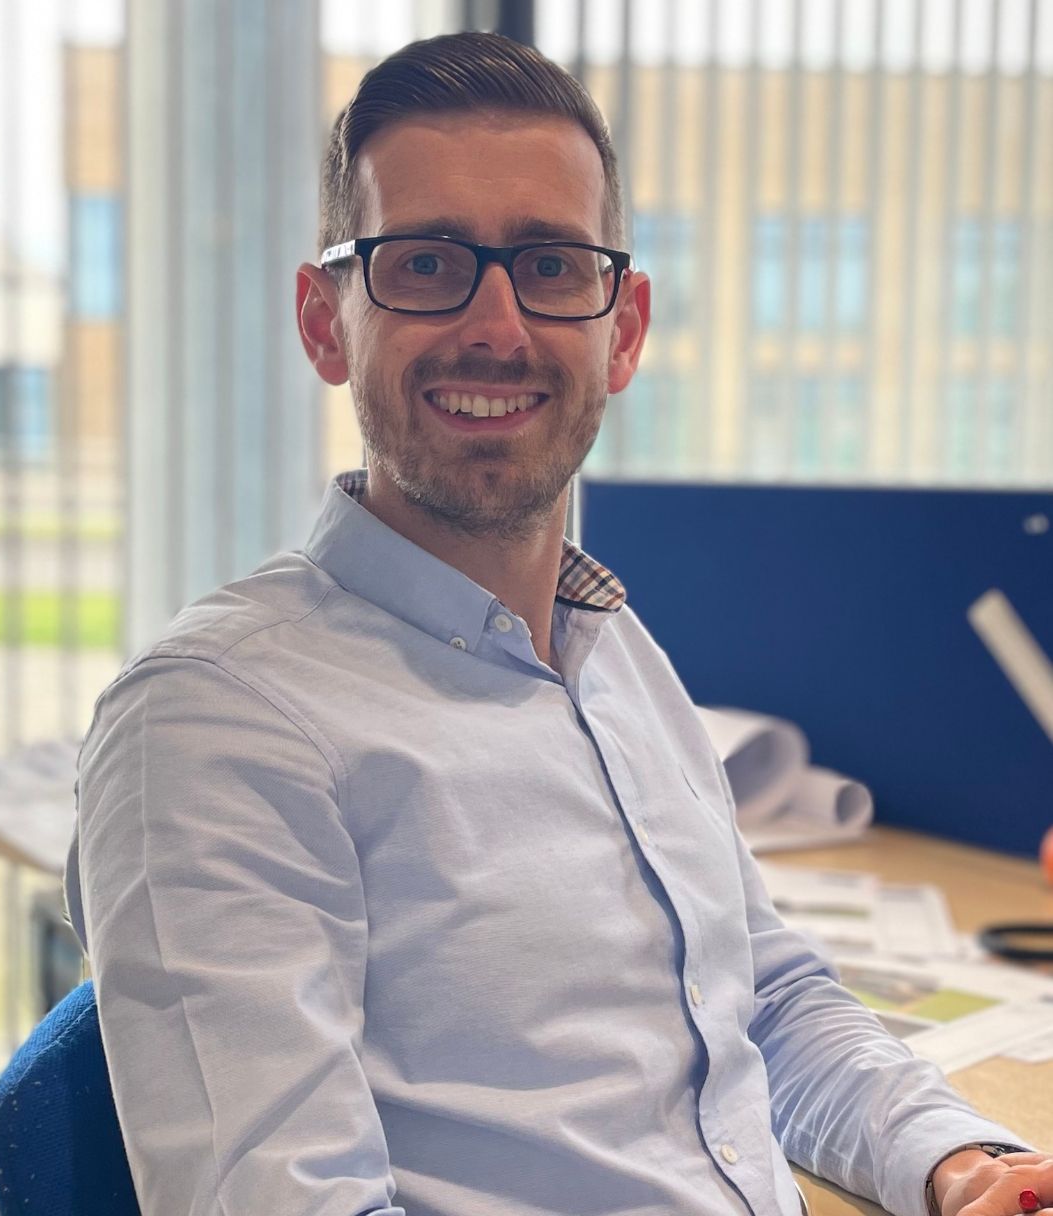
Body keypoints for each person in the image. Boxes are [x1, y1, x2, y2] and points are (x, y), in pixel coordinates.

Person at [65, 31, 1053, 1216]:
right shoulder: (217, 724)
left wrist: (958, 1163)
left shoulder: (607, 645)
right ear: (326, 322)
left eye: (549, 264)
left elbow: (768, 998)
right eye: (426, 263)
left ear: (622, 328)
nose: (498, 325)